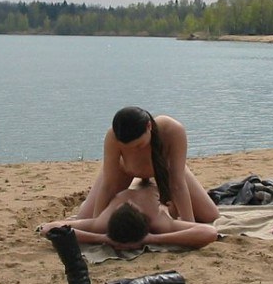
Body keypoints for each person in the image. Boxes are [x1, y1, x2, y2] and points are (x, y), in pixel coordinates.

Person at [76, 106, 220, 224]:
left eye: (139, 146)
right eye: (128, 148)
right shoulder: (113, 136)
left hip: (166, 169)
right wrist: (96, 223)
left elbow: (177, 183)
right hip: (125, 170)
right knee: (84, 217)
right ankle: (139, 186)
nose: (135, 151)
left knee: (210, 215)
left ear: (149, 126)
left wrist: (190, 225)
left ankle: (150, 186)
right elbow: (108, 186)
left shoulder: (172, 130)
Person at [38, 181, 217, 249]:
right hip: (131, 180)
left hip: (163, 178)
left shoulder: (158, 220)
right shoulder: (103, 221)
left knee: (211, 215)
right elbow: (48, 228)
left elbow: (48, 228)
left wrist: (101, 238)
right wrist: (103, 237)